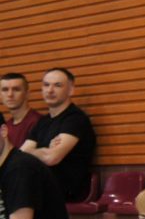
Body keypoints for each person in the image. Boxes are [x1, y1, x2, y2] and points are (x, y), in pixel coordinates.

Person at [21, 67, 96, 202]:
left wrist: (36, 151)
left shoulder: (75, 119)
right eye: (46, 85)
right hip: (42, 185)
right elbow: (21, 154)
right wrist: (44, 151)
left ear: (70, 90)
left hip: (67, 189)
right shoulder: (42, 122)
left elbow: (52, 158)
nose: (50, 90)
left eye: (57, 85)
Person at [1, 73, 43, 149]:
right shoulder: (6, 126)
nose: (10, 94)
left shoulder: (38, 122)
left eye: (16, 89)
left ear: (27, 94)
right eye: (5, 90)